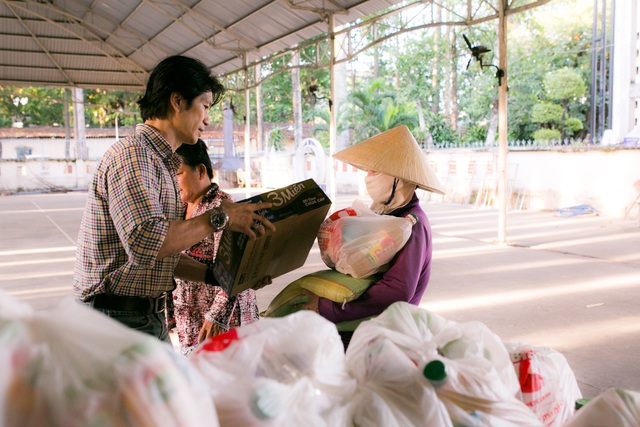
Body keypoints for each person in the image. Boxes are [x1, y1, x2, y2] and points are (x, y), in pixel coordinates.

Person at [73, 55, 275, 342]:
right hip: (117, 318)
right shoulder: (134, 157)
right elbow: (146, 244)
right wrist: (222, 217)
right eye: (204, 106)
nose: (206, 119)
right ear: (177, 101)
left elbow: (162, 254)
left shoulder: (160, 165)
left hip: (140, 316)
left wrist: (223, 278)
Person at [298, 125, 445, 350]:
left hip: (384, 333)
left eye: (374, 171)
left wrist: (329, 308)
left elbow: (397, 290)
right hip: (365, 326)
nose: (368, 177)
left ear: (398, 178)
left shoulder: (411, 224)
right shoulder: (382, 214)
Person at [169, 140, 263, 356]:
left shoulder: (225, 209)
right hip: (191, 321)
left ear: (201, 171)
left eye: (179, 173)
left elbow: (234, 269)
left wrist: (216, 316)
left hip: (223, 322)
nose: (174, 182)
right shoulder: (178, 209)